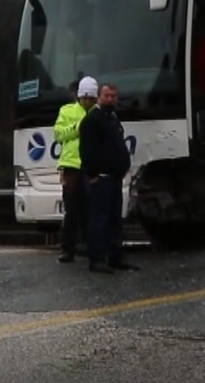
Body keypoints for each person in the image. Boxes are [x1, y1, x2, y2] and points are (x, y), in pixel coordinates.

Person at [79, 83, 138, 273]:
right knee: (99, 220)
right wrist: (92, 174)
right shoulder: (92, 120)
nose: (110, 99)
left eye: (113, 96)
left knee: (114, 220)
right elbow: (87, 150)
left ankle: (115, 257)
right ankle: (96, 259)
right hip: (101, 179)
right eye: (106, 96)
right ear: (98, 97)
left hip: (114, 178)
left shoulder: (112, 118)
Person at [54, 76, 98, 263]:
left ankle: (91, 247)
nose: (87, 101)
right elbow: (58, 134)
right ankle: (67, 249)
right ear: (79, 96)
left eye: (91, 98)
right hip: (72, 167)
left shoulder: (99, 113)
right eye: (84, 98)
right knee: (71, 210)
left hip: (92, 166)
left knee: (91, 210)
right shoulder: (66, 111)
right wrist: (78, 127)